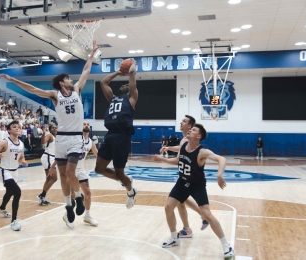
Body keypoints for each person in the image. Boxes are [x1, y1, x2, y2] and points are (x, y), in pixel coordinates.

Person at [0, 41, 99, 228]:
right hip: (61, 139)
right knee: (62, 176)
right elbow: (32, 89)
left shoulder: (77, 89)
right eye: (69, 79)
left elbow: (86, 70)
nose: (71, 80)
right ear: (62, 82)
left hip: (75, 138)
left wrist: (91, 55)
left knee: (70, 172)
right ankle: (68, 205)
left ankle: (78, 198)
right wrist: (13, 80)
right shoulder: (55, 95)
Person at [153, 123, 234, 258]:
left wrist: (219, 174)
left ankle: (227, 246)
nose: (190, 130)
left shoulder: (202, 152)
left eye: (194, 129)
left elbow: (222, 159)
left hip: (197, 185)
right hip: (182, 182)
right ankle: (174, 238)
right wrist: (162, 159)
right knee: (168, 207)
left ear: (198, 136)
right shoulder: (184, 145)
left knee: (206, 213)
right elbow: (178, 160)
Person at [94, 59, 138, 209]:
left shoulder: (132, 99)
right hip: (110, 135)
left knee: (119, 172)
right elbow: (103, 83)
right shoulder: (112, 99)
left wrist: (132, 66)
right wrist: (118, 72)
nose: (125, 85)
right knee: (98, 169)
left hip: (122, 137)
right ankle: (126, 181)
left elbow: (132, 74)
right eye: (123, 84)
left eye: (127, 85)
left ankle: (131, 192)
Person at [160, 115, 209, 237]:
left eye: (184, 121)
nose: (181, 122)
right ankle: (187, 228)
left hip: (191, 178)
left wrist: (164, 157)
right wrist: (169, 147)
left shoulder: (189, 140)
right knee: (181, 201)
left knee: (180, 200)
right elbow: (181, 148)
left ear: (190, 126)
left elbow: (179, 156)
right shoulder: (184, 139)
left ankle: (202, 216)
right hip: (185, 176)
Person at [0, 121, 28, 231]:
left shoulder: (21, 143)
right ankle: (14, 221)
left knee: (10, 192)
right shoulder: (5, 142)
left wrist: (23, 161)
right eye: (14, 127)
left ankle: (2, 208)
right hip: (4, 171)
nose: (17, 128)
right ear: (9, 130)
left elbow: (21, 157)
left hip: (15, 171)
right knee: (17, 192)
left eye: (18, 127)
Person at [74, 121, 99, 226]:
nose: (86, 125)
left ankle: (87, 216)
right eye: (84, 124)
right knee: (72, 196)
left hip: (80, 170)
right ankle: (68, 214)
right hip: (71, 169)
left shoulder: (90, 142)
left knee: (88, 193)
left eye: (88, 124)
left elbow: (98, 154)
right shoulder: (76, 139)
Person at [37, 125, 57, 206]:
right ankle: (42, 195)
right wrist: (44, 133)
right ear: (50, 129)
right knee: (54, 178)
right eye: (53, 128)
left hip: (49, 158)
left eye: (56, 127)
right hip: (48, 157)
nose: (55, 129)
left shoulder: (56, 137)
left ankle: (42, 198)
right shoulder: (49, 135)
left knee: (49, 179)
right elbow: (43, 142)